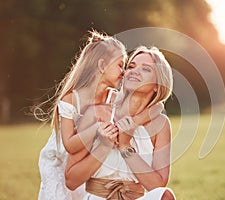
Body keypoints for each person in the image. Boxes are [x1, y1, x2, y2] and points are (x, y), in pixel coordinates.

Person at [36, 31, 162, 200]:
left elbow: (157, 108)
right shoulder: (72, 99)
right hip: (59, 160)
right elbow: (70, 146)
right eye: (120, 65)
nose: (124, 72)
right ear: (102, 66)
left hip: (82, 160)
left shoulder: (112, 97)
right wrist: (97, 128)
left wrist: (135, 121)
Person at [65, 46, 176, 200]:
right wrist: (104, 145)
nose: (134, 71)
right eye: (131, 66)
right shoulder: (96, 113)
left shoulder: (161, 124)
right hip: (98, 198)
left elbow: (157, 185)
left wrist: (125, 146)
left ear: (158, 85)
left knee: (165, 196)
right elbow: (71, 180)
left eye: (146, 69)